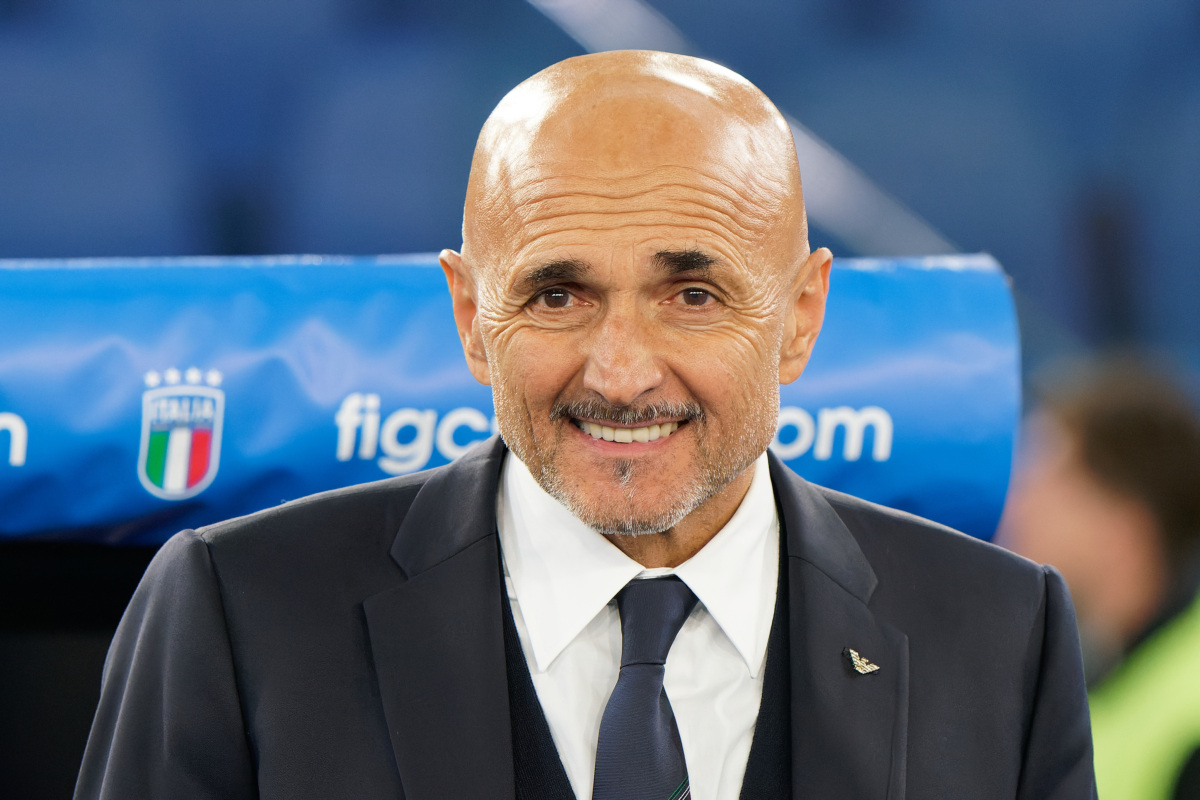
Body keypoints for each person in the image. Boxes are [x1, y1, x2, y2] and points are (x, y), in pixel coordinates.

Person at [75, 51, 1095, 799]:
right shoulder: (241, 612)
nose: (621, 371)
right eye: (558, 295)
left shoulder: (1001, 634)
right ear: (472, 317)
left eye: (691, 295)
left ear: (799, 317)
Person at [1000, 357, 1200, 800]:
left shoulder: (1190, 722)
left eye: (1048, 480)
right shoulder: (1110, 676)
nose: (1017, 508)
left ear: (1123, 529)